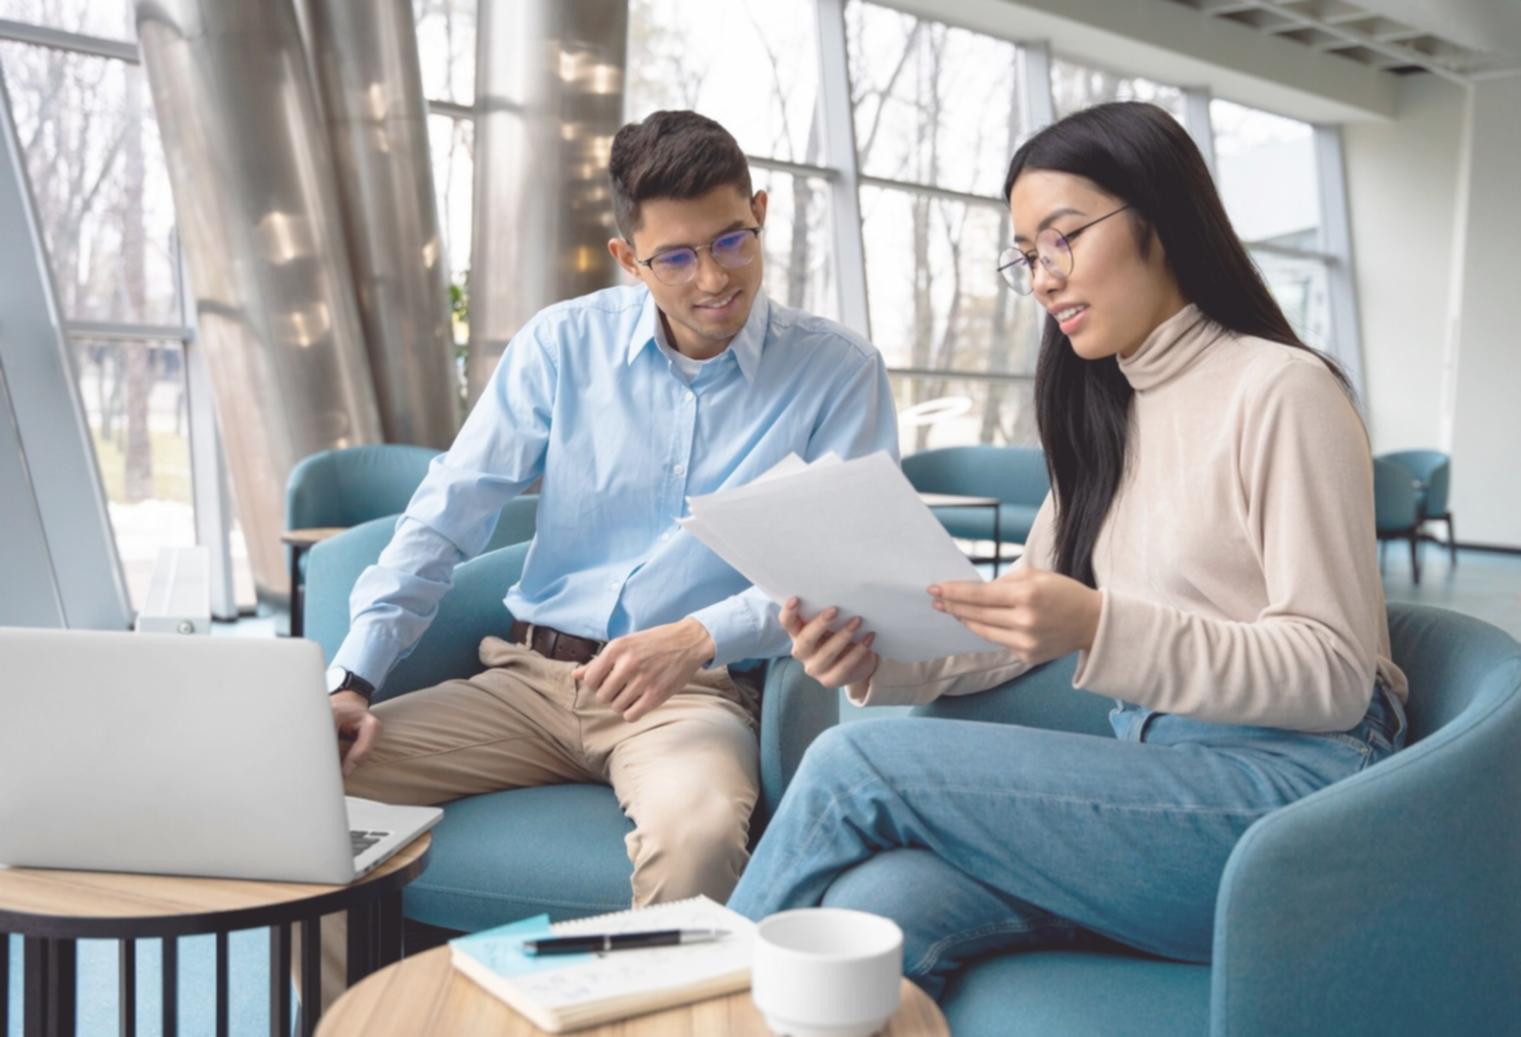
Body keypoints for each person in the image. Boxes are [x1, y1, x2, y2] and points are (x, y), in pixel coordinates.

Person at [727, 101, 1409, 999]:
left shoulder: (1281, 390)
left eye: (1062, 239)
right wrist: (874, 654)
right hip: (1158, 782)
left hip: (1292, 800)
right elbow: (1014, 618)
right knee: (881, 907)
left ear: (1157, 220)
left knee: (856, 764)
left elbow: (1331, 674)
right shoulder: (1107, 411)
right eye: (1026, 255)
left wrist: (1098, 623)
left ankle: (683, 1004)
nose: (1043, 278)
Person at [311, 110, 897, 1002]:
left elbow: (839, 565)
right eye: (676, 256)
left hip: (691, 694)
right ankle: (354, 1017)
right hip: (527, 679)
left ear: (761, 212)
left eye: (733, 239)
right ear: (629, 260)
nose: (713, 277)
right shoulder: (562, 345)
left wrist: (694, 637)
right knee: (303, 789)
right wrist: (353, 676)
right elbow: (446, 513)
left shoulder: (837, 371)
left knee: (697, 833)